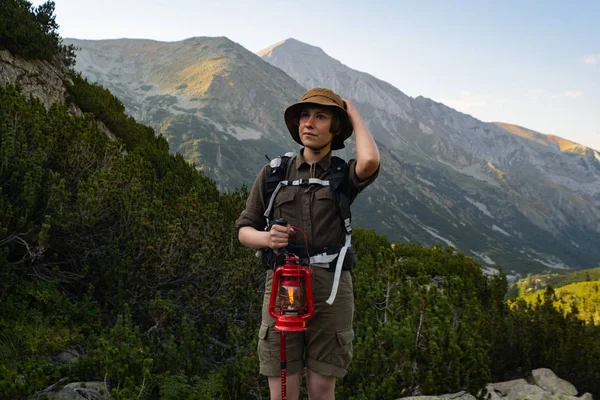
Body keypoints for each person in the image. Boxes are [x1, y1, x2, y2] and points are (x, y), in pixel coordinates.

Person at [236, 87, 380, 400]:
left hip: (331, 290)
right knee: (282, 387)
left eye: (321, 116)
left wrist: (352, 113)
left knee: (321, 387)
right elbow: (244, 230)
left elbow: (369, 160)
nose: (309, 123)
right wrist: (267, 238)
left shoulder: (343, 174)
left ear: (335, 127)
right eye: (304, 115)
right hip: (281, 286)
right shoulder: (274, 173)